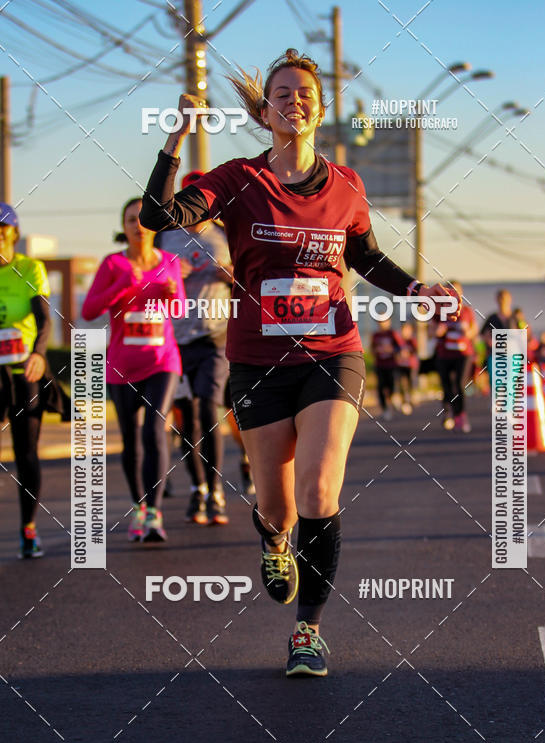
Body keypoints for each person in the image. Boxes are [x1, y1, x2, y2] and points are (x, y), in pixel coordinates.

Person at [140, 48, 459, 676]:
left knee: (319, 488)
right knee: (277, 506)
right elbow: (158, 219)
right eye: (281, 94)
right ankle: (276, 539)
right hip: (258, 360)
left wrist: (415, 290)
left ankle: (307, 631)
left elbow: (366, 256)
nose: (294, 102)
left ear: (320, 107)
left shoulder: (346, 186)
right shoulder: (237, 180)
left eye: (304, 93)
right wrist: (176, 137)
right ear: (265, 111)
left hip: (331, 354)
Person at [82, 198, 184, 542]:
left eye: (143, 219)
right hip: (122, 366)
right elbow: (90, 308)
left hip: (162, 361)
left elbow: (180, 308)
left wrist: (169, 294)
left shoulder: (170, 261)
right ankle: (139, 506)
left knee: (155, 429)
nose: (138, 226)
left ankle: (154, 513)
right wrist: (126, 286)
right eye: (130, 220)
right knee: (131, 441)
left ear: (153, 226)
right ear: (123, 227)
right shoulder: (113, 264)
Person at [158, 170, 233, 525]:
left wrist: (232, 276)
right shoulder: (166, 237)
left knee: (208, 407)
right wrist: (169, 276)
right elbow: (151, 281)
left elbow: (251, 276)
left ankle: (216, 489)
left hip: (215, 336)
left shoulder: (226, 234)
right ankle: (198, 487)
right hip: (177, 337)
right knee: (187, 417)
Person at [0, 202, 51, 558]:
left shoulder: (29, 268)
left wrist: (38, 353)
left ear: (13, 234)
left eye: (2, 231)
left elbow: (44, 319)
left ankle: (28, 530)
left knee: (25, 454)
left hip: (24, 371)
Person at [434, 280, 477, 432]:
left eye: (456, 291)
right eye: (450, 291)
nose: (453, 294)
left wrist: (467, 332)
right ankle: (447, 413)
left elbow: (474, 332)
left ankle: (460, 415)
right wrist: (439, 331)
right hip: (444, 354)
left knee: (459, 384)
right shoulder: (439, 311)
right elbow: (431, 332)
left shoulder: (466, 311)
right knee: (446, 385)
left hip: (463, 354)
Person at [481, 289, 518, 378]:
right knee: (496, 385)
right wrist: (492, 343)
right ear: (497, 300)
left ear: (510, 299)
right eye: (500, 298)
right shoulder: (492, 318)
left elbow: (524, 336)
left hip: (511, 356)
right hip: (494, 356)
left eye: (505, 298)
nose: (503, 301)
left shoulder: (515, 318)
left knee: (510, 385)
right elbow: (483, 334)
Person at [370, 316, 401, 420]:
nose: (382, 323)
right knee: (381, 387)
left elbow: (399, 347)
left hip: (391, 364)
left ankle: (392, 401)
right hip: (380, 365)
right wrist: (377, 351)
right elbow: (372, 349)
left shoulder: (392, 334)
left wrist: (392, 350)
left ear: (389, 322)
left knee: (391, 385)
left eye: (384, 321)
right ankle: (385, 409)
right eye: (380, 321)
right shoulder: (376, 335)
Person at [395, 322, 418, 414]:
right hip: (401, 365)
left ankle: (411, 397)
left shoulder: (412, 341)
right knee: (401, 383)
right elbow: (395, 350)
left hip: (410, 366)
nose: (406, 332)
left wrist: (408, 353)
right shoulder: (399, 341)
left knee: (411, 382)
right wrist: (399, 354)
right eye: (404, 330)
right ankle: (404, 401)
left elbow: (415, 350)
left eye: (408, 330)